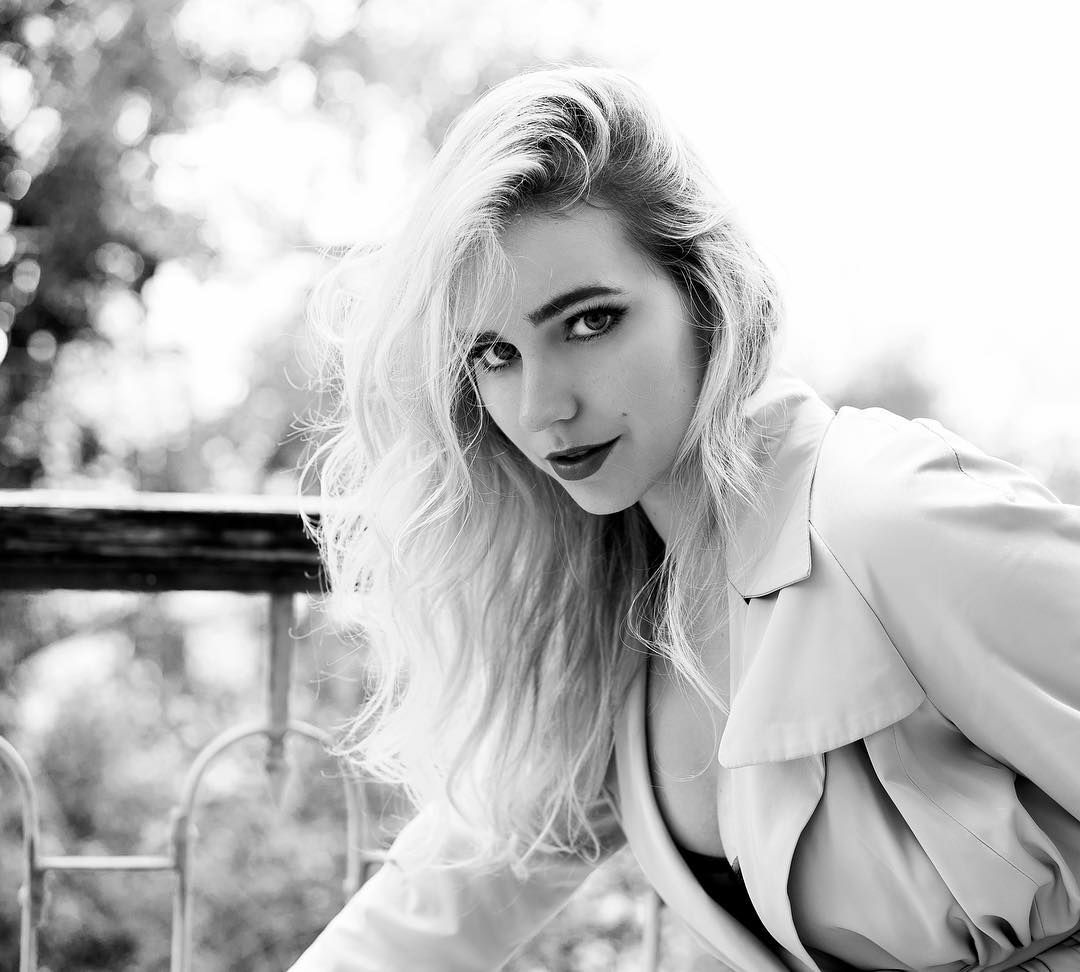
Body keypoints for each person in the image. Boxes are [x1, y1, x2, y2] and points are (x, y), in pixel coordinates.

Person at [289, 64, 1080, 971]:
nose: (543, 407)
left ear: (705, 293)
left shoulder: (883, 517)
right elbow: (428, 916)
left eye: (588, 323)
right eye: (495, 355)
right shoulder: (608, 621)